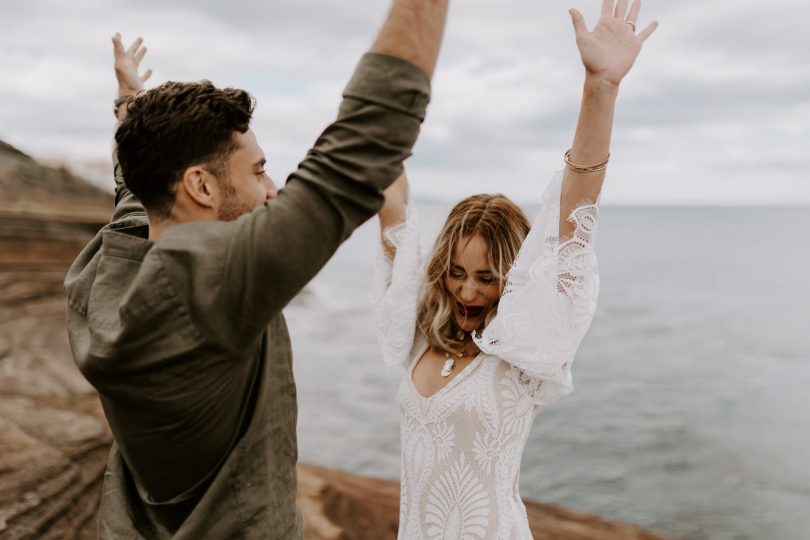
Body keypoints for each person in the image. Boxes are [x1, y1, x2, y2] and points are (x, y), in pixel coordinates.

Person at [64, 1, 449, 537]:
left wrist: (131, 106)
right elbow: (363, 145)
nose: (272, 190)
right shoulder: (205, 288)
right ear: (200, 186)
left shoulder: (108, 270)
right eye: (260, 170)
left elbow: (136, 188)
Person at [374, 1, 658, 537]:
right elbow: (392, 209)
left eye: (486, 278)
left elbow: (574, 217)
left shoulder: (524, 347)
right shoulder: (419, 328)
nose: (467, 290)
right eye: (456, 272)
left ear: (512, 280)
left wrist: (601, 86)